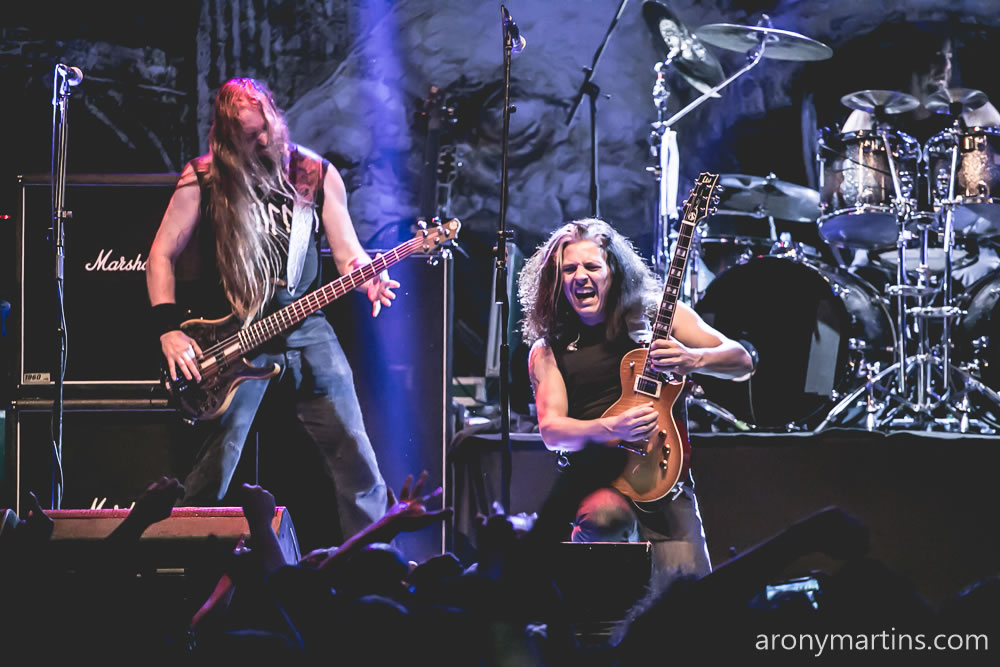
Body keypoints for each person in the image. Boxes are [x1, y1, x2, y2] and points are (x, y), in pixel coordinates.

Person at [146, 77, 397, 551]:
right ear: (227, 138)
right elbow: (160, 255)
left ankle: (376, 565)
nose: (263, 140)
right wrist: (168, 331)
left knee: (356, 456)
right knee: (216, 465)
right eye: (249, 135)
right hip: (236, 335)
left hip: (306, 330)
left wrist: (368, 276)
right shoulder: (203, 178)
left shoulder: (314, 173)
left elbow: (349, 253)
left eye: (266, 127)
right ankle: (181, 563)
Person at [518, 218, 754, 586]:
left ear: (614, 272)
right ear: (556, 280)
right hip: (600, 483)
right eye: (569, 269)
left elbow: (742, 361)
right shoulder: (549, 348)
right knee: (605, 520)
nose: (580, 277)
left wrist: (694, 359)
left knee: (696, 603)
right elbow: (552, 431)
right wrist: (610, 428)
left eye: (592, 266)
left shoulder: (657, 316)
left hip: (664, 480)